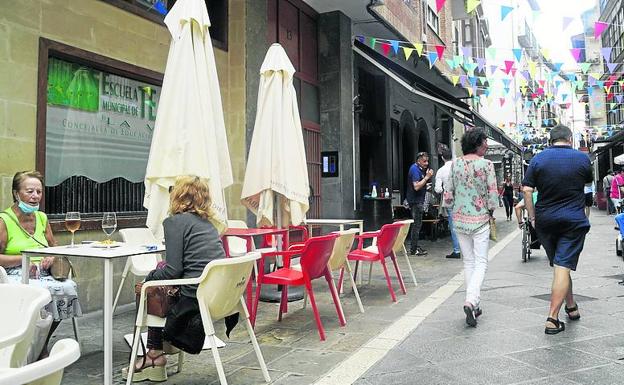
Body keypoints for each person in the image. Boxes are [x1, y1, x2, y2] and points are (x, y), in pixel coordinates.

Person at [124, 175, 227, 382]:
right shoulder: (208, 223)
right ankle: (156, 353)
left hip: (194, 297)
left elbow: (173, 270)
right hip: (219, 295)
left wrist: (149, 278)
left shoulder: (174, 222)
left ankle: (153, 355)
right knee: (155, 282)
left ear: (178, 195)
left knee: (147, 289)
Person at [0, 170, 82, 360]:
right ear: (16, 193)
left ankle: (41, 343)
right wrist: (25, 260)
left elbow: (55, 249)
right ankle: (29, 345)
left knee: (68, 288)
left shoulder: (42, 218)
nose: (35, 196)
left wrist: (52, 259)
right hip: (13, 274)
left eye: (39, 191)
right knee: (43, 293)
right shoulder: (4, 220)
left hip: (43, 274)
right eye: (29, 191)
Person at [522, 125, 592, 335]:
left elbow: (527, 190)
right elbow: (587, 185)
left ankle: (571, 307)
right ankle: (552, 318)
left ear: (550, 140)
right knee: (562, 265)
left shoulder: (538, 159)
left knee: (561, 264)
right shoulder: (581, 159)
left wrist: (532, 217)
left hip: (546, 221)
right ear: (570, 138)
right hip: (573, 219)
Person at [443, 128, 498, 327]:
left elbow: (448, 194)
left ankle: (474, 303)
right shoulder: (487, 165)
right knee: (481, 262)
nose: (487, 145)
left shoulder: (455, 164)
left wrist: (452, 207)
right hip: (480, 219)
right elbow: (492, 194)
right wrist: (491, 211)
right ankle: (471, 300)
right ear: (477, 143)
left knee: (468, 262)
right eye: (485, 142)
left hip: (459, 219)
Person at [434, 145, 461, 259]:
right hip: (462, 198)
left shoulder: (441, 171)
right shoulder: (458, 168)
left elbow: (438, 189)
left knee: (453, 225)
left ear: (442, 158)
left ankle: (457, 250)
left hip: (449, 199)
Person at [406, 151, 434, 256]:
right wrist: (427, 177)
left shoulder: (420, 169)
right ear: (418, 161)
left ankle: (415, 246)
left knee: (418, 225)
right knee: (416, 225)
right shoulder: (414, 169)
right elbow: (416, 186)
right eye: (424, 161)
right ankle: (413, 249)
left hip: (418, 200)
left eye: (427, 161)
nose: (426, 163)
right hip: (416, 201)